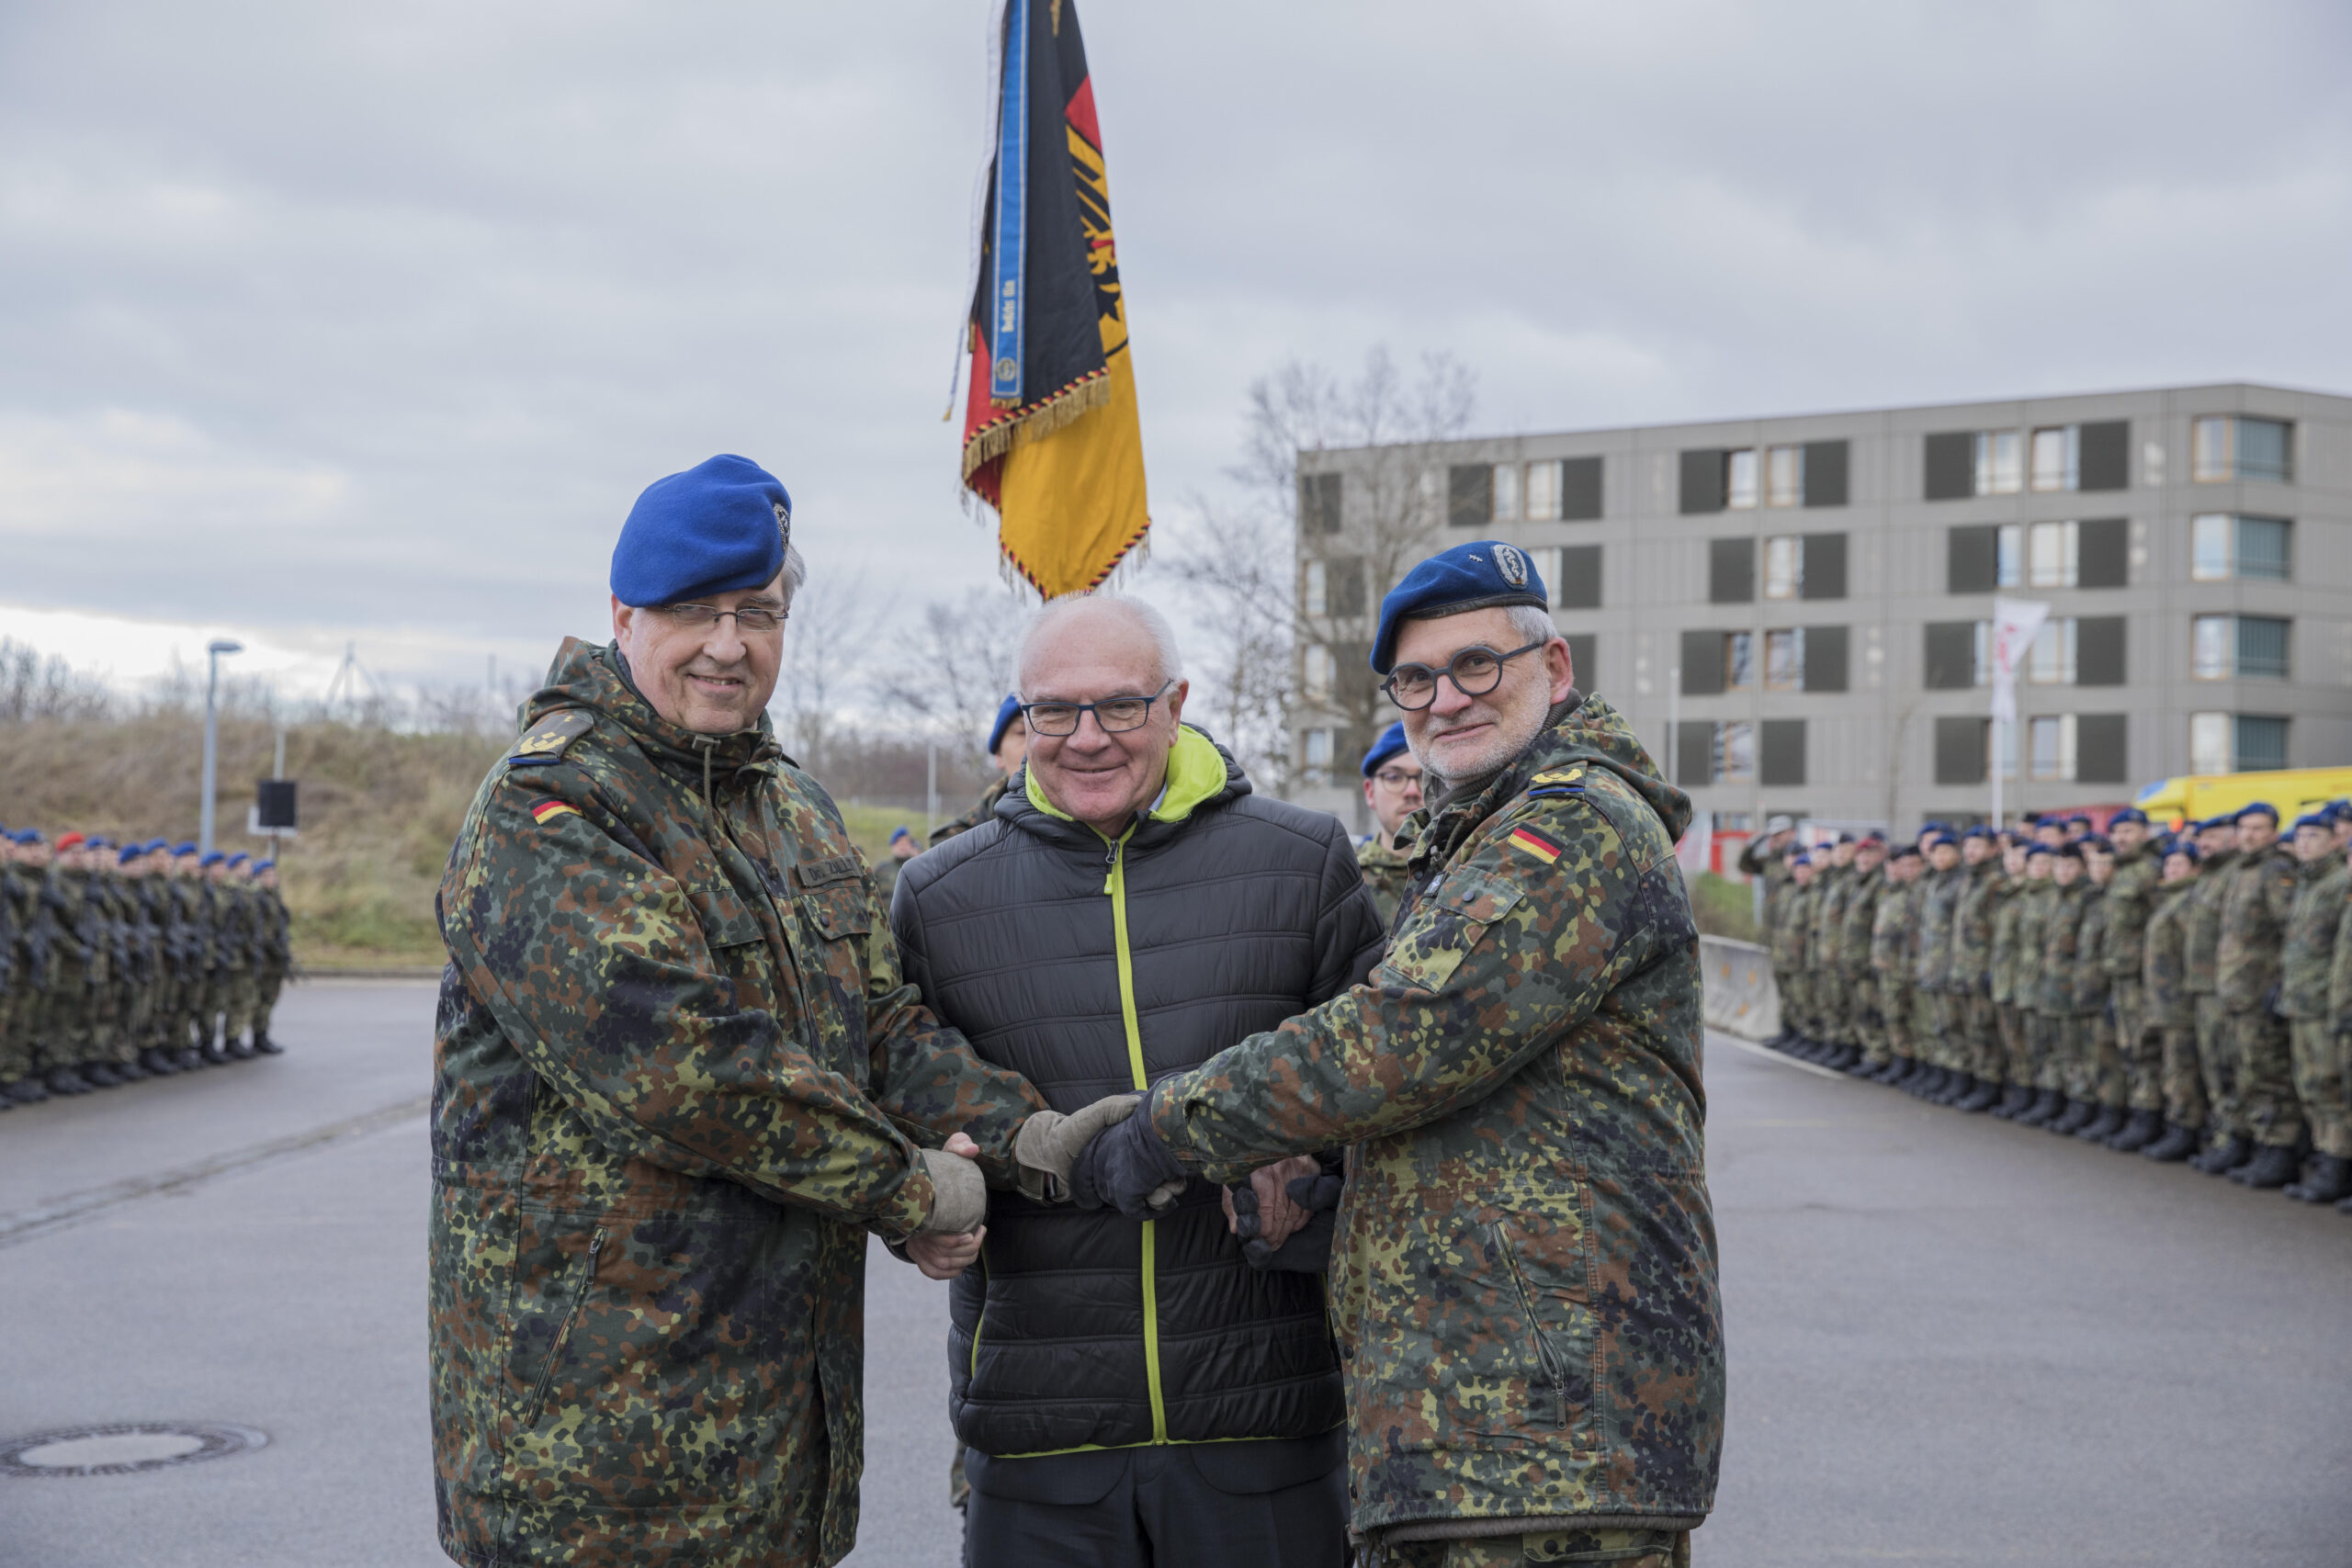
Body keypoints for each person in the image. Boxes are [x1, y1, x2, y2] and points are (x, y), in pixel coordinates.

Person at [427, 455, 1070, 1568]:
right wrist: (914, 1189)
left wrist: (1035, 1137)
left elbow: (879, 1029)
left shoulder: (793, 809)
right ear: (623, 615)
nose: (730, 644)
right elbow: (690, 1076)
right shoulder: (551, 809)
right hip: (597, 1461)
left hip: (774, 1442)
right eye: (694, 610)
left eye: (759, 612)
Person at [1071, 541, 1723, 1567]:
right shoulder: (1483, 830)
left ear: (1552, 671)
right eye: (1415, 679)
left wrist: (1164, 1129)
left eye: (1477, 665)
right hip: (1479, 1431)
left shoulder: (1570, 827)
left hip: (1540, 1446)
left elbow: (1403, 1039)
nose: (1446, 700)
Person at [888, 594, 1384, 1568]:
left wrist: (1311, 1189)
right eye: (1053, 712)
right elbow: (901, 1084)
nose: (1086, 739)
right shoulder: (938, 896)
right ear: (1020, 717)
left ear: (1176, 702)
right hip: (1041, 1426)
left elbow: (1381, 1101)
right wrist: (913, 1189)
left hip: (1263, 1415)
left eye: (1119, 707)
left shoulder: (1302, 859)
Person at [2215, 803, 2302, 1189]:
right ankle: (2252, 1143)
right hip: (2234, 991)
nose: (2249, 835)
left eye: (2258, 828)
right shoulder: (2239, 871)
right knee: (2243, 1071)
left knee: (2267, 1074)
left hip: (2259, 991)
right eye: (2244, 828)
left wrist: (2279, 984)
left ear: (2273, 832)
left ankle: (2279, 1150)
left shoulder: (2275, 871)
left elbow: (2290, 932)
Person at [2277, 813, 2349, 1202]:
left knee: (2328, 1085)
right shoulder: (2307, 883)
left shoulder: (2339, 885)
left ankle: (2337, 1163)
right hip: (2299, 1001)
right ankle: (2325, 1160)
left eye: (2314, 836)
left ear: (2333, 841)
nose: (2304, 843)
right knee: (2308, 1086)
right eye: (2300, 836)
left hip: (2324, 1005)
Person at [2097, 809, 2164, 1150]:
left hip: (2143, 976)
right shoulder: (2122, 872)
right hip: (2121, 974)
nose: (2121, 837)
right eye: (2117, 831)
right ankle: (2136, 1115)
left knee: (2144, 1048)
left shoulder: (2151, 871)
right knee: (2127, 1047)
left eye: (2129, 830)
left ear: (2144, 832)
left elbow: (2162, 924)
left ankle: (2149, 1118)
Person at [2183, 817, 2246, 1172]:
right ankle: (2225, 1138)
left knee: (2230, 1068)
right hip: (2203, 987)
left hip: (2228, 989)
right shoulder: (2208, 875)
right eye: (2202, 837)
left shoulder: (2235, 874)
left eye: (2213, 836)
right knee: (2213, 1067)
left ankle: (2237, 1140)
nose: (2204, 843)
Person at [2138, 841, 2205, 1161]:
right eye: (2168, 865)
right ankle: (2174, 1124)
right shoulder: (2170, 900)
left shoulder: (2189, 901)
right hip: (2162, 999)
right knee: (2169, 1065)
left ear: (2194, 868)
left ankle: (2185, 1128)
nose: (2172, 870)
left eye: (2179, 864)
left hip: (2179, 1000)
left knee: (2182, 1068)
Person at [929, 694, 1029, 848]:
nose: (1036, 743)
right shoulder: (956, 845)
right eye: (1022, 732)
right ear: (999, 755)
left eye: (1046, 730)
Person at [1355, 719, 1423, 927]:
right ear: (1370, 792)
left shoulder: (1468, 871)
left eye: (1426, 777)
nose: (1412, 791)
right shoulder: (1346, 883)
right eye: (1394, 777)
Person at [1869, 843, 1924, 1082]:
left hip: (1913, 967)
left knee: (1913, 1019)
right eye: (1897, 864)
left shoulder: (1918, 893)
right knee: (1893, 1016)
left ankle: (1914, 1066)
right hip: (1889, 964)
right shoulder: (1892, 892)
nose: (1903, 869)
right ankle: (1901, 1061)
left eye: (1910, 865)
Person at [248, 858, 290, 1054]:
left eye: (273, 874)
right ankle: (257, 1037)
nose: (271, 879)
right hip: (264, 957)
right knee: (259, 999)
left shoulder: (274, 897)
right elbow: (262, 931)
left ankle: (263, 1035)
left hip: (274, 958)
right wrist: (276, 950)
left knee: (270, 998)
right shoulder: (258, 899)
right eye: (266, 875)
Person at [873, 825, 918, 903]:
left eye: (906, 843)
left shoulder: (916, 869)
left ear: (911, 846)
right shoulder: (881, 869)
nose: (902, 846)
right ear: (893, 845)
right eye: (899, 842)